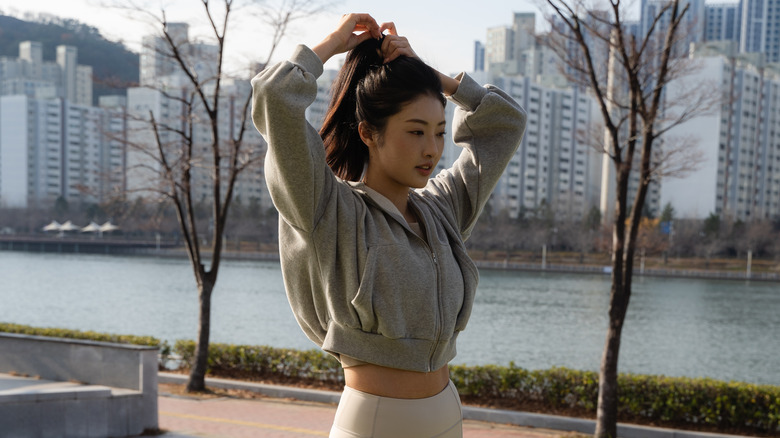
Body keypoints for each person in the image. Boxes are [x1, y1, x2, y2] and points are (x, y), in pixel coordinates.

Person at [251, 13, 526, 438]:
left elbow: (505, 124)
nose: (432, 150)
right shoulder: (328, 208)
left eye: (438, 133)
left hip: (448, 415)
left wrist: (432, 77)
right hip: (376, 423)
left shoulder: (442, 211)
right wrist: (330, 44)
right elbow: (274, 96)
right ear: (368, 132)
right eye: (416, 132)